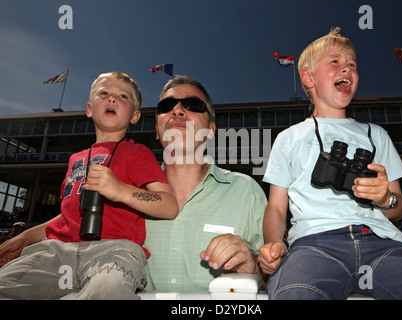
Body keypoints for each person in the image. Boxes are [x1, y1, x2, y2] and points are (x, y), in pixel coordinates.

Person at [258, 27, 402, 300]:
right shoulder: (289, 138)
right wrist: (274, 242)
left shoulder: (377, 135)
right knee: (296, 294)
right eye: (335, 62)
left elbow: (399, 209)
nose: (347, 69)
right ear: (308, 77)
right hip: (315, 244)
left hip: (382, 242)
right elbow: (277, 208)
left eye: (352, 64)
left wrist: (385, 198)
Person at [0, 72, 178, 299]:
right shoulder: (75, 159)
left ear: (134, 116)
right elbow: (66, 216)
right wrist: (24, 238)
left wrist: (120, 190)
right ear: (89, 109)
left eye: (123, 96)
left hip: (114, 250)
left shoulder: (137, 153)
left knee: (108, 290)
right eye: (104, 93)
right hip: (56, 250)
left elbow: (169, 205)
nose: (112, 99)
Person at [143, 75, 267, 291]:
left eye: (193, 105)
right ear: (156, 130)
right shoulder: (130, 194)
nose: (178, 110)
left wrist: (254, 270)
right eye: (166, 106)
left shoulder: (246, 191)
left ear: (211, 130)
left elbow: (279, 278)